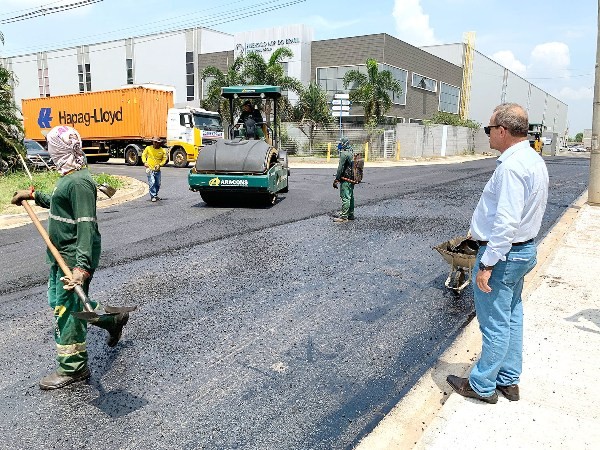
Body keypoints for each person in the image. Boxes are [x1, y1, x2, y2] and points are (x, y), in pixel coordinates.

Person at [11, 125, 129, 390]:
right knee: (59, 302)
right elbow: (58, 202)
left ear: (61, 149)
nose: (48, 151)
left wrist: (81, 268)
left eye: (51, 146)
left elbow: (86, 226)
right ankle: (112, 320)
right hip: (59, 255)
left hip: (73, 259)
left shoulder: (79, 182)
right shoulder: (69, 176)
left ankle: (73, 368)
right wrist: (31, 195)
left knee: (67, 310)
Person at [446, 103, 549, 404]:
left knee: (494, 322)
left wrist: (488, 262)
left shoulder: (513, 167)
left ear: (502, 131)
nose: (488, 134)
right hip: (524, 250)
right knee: (513, 314)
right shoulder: (532, 159)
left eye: (489, 129)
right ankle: (508, 380)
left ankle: (482, 385)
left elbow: (506, 222)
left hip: (504, 255)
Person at [332, 137, 356, 223]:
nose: (339, 145)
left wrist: (337, 179)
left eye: (341, 143)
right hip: (352, 178)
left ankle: (343, 217)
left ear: (344, 144)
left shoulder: (344, 154)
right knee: (350, 197)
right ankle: (351, 214)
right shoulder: (351, 152)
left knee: (345, 197)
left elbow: (340, 168)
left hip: (346, 178)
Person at [142, 137, 167, 202]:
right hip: (150, 169)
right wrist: (145, 162)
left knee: (158, 183)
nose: (155, 143)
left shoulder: (162, 150)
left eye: (156, 142)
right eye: (154, 142)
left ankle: (155, 195)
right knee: (152, 182)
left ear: (159, 143)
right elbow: (143, 155)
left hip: (157, 170)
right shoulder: (148, 148)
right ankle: (153, 196)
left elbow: (164, 159)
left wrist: (160, 164)